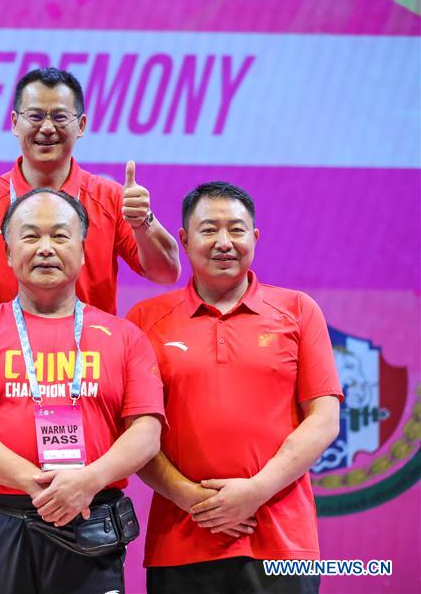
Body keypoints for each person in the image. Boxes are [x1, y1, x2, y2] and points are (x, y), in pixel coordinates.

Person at [0, 188, 166, 594]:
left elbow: (146, 433)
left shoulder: (125, 336)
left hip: (92, 517)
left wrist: (86, 482)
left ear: (83, 248)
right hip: (2, 522)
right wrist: (37, 483)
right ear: (6, 253)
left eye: (60, 236)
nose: (45, 248)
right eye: (30, 236)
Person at [127, 182, 343, 594]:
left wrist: (255, 491)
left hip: (283, 545)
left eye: (236, 230)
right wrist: (192, 498)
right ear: (185, 240)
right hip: (181, 543)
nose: (224, 242)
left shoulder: (298, 310)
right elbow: (134, 433)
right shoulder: (145, 319)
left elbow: (324, 420)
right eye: (209, 230)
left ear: (255, 238)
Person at [0, 67, 180, 313]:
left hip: (92, 351)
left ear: (81, 125)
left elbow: (166, 273)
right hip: (8, 351)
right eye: (36, 116)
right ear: (15, 123)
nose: (48, 128)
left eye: (60, 117)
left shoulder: (111, 197)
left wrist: (144, 221)